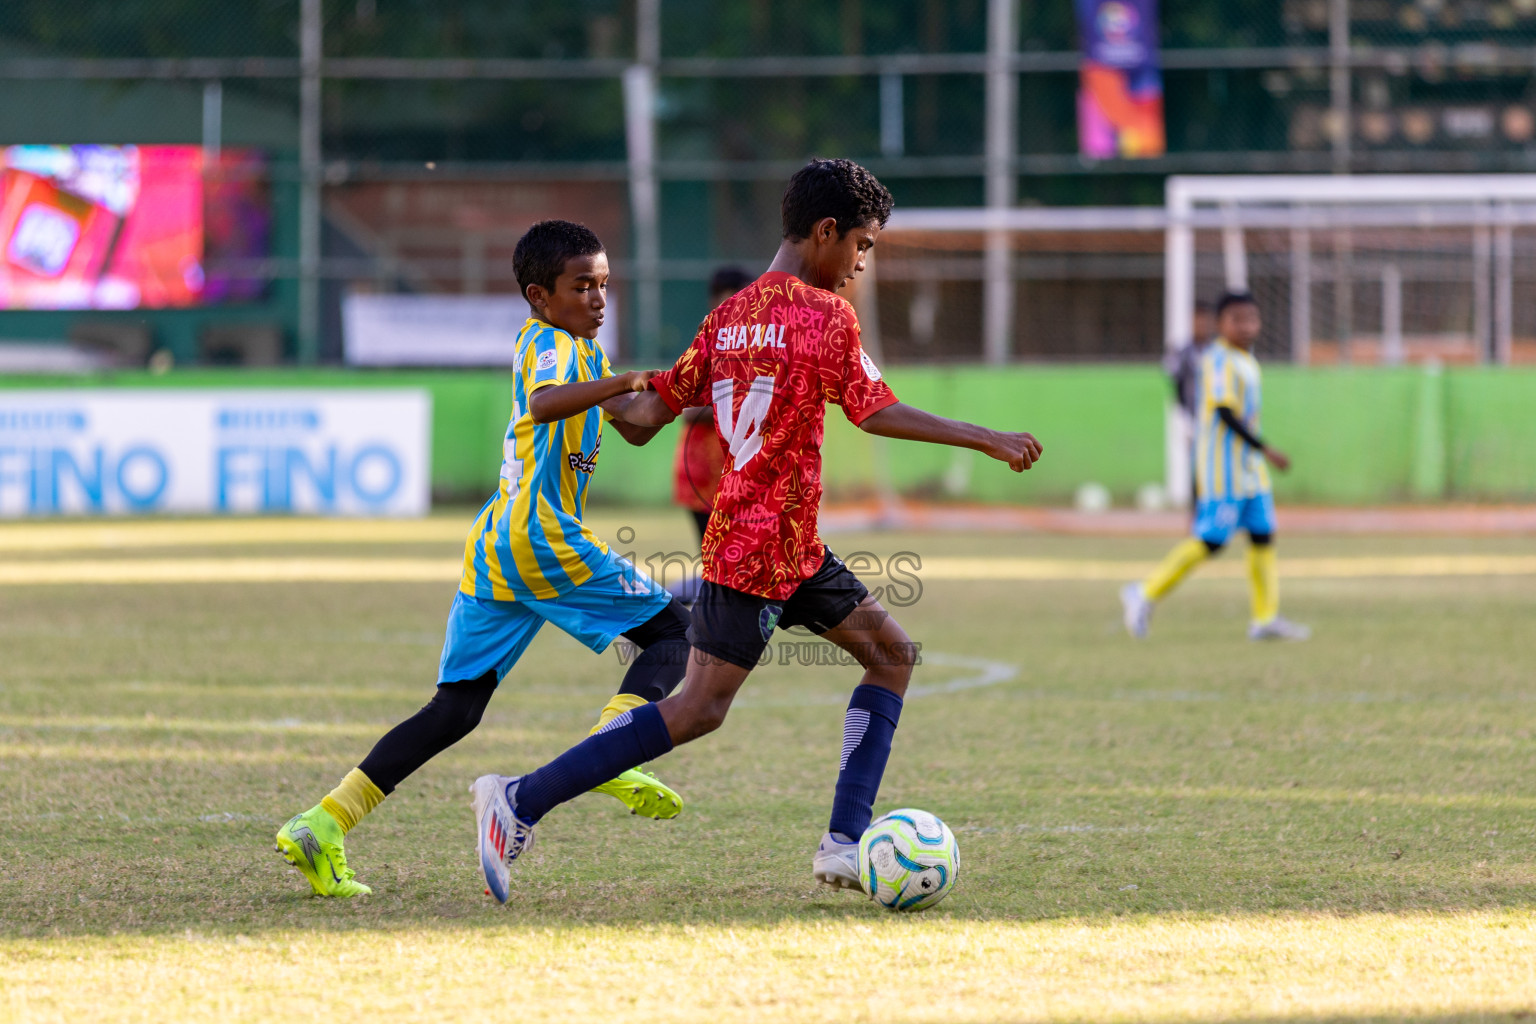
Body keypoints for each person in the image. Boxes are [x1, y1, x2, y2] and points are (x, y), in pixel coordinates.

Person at [466, 158, 1043, 904]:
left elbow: (644, 423)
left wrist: (597, 387)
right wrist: (985, 436)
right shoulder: (825, 315)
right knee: (698, 709)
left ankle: (842, 842)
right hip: (756, 548)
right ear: (826, 232)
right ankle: (519, 798)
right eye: (862, 246)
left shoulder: (728, 315)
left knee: (891, 654)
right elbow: (875, 410)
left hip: (788, 543)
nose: (861, 264)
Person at [273, 220, 692, 898]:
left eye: (605, 285)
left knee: (457, 707)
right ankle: (613, 750)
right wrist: (628, 381)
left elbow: (637, 427)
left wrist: (680, 393)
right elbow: (545, 402)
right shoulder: (550, 343)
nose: (597, 299)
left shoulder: (585, 356)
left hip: (498, 545)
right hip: (540, 539)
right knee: (672, 635)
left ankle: (324, 823)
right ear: (539, 295)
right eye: (581, 286)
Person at [1121, 290, 1310, 642]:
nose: (1246, 326)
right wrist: (1265, 448)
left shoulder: (1246, 360)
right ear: (1220, 324)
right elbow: (1225, 413)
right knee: (1211, 541)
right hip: (1222, 471)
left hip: (1250, 471)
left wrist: (1258, 454)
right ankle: (1143, 593)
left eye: (1251, 318)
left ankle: (1265, 618)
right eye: (1237, 319)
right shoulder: (1218, 359)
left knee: (1263, 536)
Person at [666, 267, 751, 602]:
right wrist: (734, 402)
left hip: (736, 476)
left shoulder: (751, 344)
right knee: (718, 566)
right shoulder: (708, 342)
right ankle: (676, 613)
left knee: (736, 562)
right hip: (703, 474)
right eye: (738, 295)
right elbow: (683, 410)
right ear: (719, 298)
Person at [1165, 299, 1215, 512]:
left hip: (1218, 420)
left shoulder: (1217, 351)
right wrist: (1184, 417)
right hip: (1194, 418)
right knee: (1197, 471)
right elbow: (1175, 383)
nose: (1200, 325)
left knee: (1217, 471)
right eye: (1196, 320)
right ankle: (1196, 518)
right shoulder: (1183, 351)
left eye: (1204, 320)